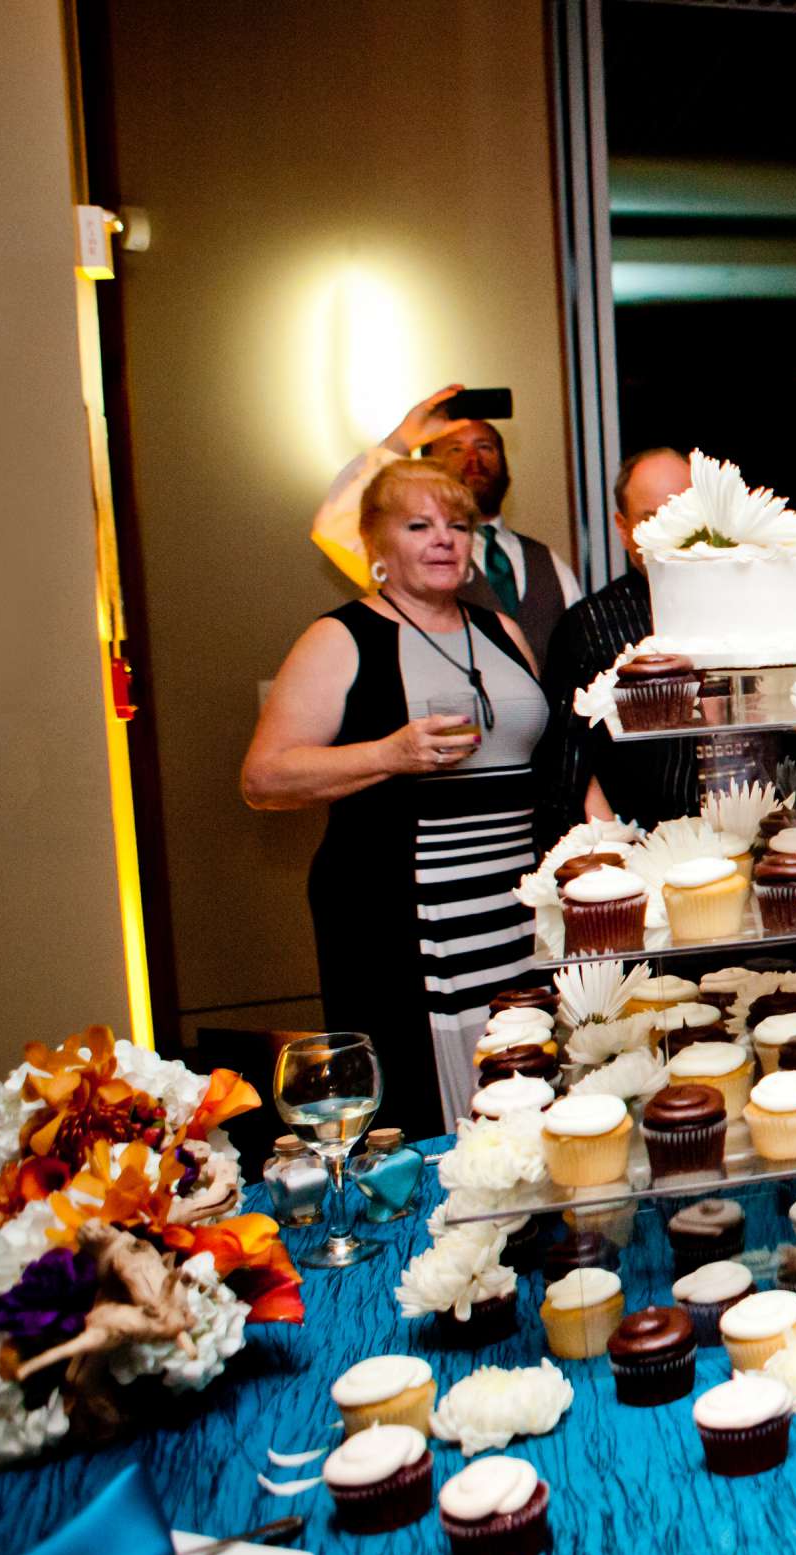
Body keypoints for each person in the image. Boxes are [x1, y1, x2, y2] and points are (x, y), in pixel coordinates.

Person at [244, 460, 550, 1135]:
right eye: (419, 525)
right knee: (431, 1116)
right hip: (411, 922)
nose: (443, 539)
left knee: (523, 1089)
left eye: (457, 525)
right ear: (376, 546)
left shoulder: (502, 632)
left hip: (513, 915)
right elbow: (263, 778)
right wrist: (392, 754)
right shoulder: (341, 638)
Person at [310, 385, 582, 660]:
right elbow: (336, 522)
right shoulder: (408, 554)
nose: (473, 459)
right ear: (429, 465)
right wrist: (401, 441)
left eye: (485, 447)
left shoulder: (548, 562)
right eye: (455, 449)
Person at [536, 446, 704, 844]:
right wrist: (614, 851)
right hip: (641, 849)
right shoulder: (588, 626)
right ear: (623, 527)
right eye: (652, 518)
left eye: (684, 513)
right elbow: (567, 766)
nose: (672, 532)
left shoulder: (748, 608)